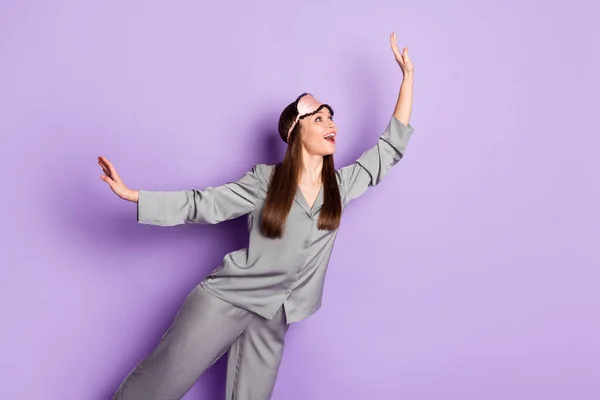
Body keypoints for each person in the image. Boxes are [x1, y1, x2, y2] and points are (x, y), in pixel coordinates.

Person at [100, 32, 415, 400]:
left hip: (276, 316)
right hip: (227, 299)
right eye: (319, 118)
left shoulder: (339, 189)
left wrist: (407, 79)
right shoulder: (266, 181)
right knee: (160, 381)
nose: (331, 124)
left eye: (331, 117)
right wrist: (133, 195)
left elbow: (388, 151)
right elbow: (204, 203)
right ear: (298, 133)